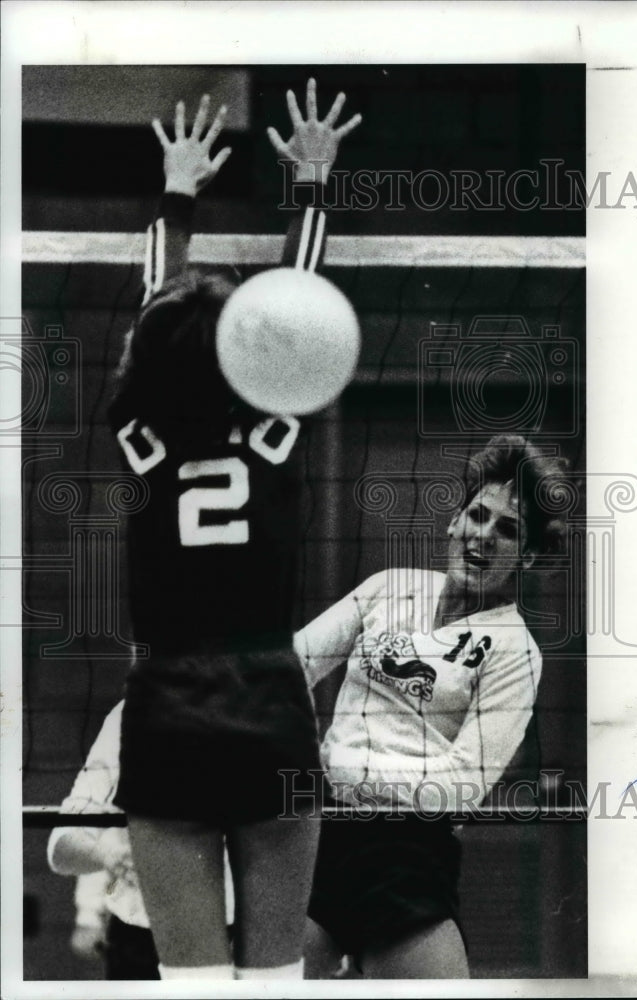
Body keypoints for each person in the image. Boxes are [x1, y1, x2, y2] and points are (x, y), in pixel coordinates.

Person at [108, 81, 360, 980]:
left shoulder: (138, 434)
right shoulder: (274, 426)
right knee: (276, 984)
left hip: (167, 709)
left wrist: (176, 192)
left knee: (191, 989)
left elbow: (153, 304)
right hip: (267, 707)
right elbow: (305, 298)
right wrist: (312, 182)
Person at [294, 434, 565, 978]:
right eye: (478, 515)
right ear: (454, 520)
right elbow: (292, 667)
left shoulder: (516, 652)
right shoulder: (388, 588)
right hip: (320, 835)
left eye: (507, 530)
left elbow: (462, 783)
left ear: (528, 556)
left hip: (406, 852)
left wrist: (340, 767)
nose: (484, 536)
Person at [47, 702, 234, 980]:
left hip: (232, 933)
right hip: (140, 937)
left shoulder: (264, 708)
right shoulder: (128, 718)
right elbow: (62, 844)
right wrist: (105, 865)